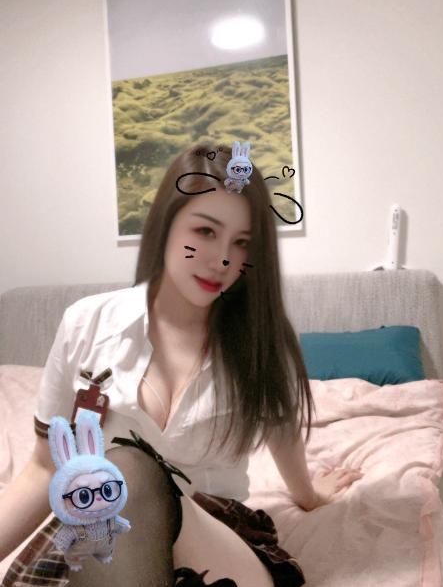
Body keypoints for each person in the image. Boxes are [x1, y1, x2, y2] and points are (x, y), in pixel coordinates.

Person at [0, 143, 363, 587]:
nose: (222, 260)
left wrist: (307, 494)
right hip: (107, 535)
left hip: (214, 540)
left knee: (125, 471)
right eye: (205, 231)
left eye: (241, 243)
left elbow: (281, 429)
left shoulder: (262, 343)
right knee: (114, 481)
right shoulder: (87, 323)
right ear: (166, 224)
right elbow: (46, 466)